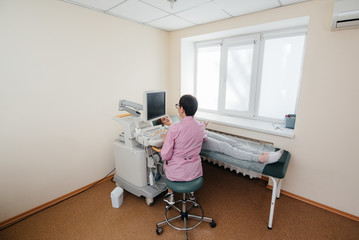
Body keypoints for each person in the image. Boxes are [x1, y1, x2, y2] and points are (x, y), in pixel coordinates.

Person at [159, 115, 283, 165]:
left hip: (203, 133)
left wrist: (201, 127)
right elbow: (181, 140)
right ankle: (259, 158)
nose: (167, 119)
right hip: (198, 141)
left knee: (232, 141)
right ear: (162, 123)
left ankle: (261, 153)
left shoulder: (177, 122)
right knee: (225, 147)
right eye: (164, 119)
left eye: (167, 116)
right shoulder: (168, 130)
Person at [160, 95, 207, 205]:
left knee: (165, 161)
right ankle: (191, 193)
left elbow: (165, 155)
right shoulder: (201, 126)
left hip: (178, 172)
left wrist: (165, 141)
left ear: (181, 109)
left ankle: (170, 196)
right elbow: (205, 138)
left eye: (178, 106)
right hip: (195, 171)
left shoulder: (174, 128)